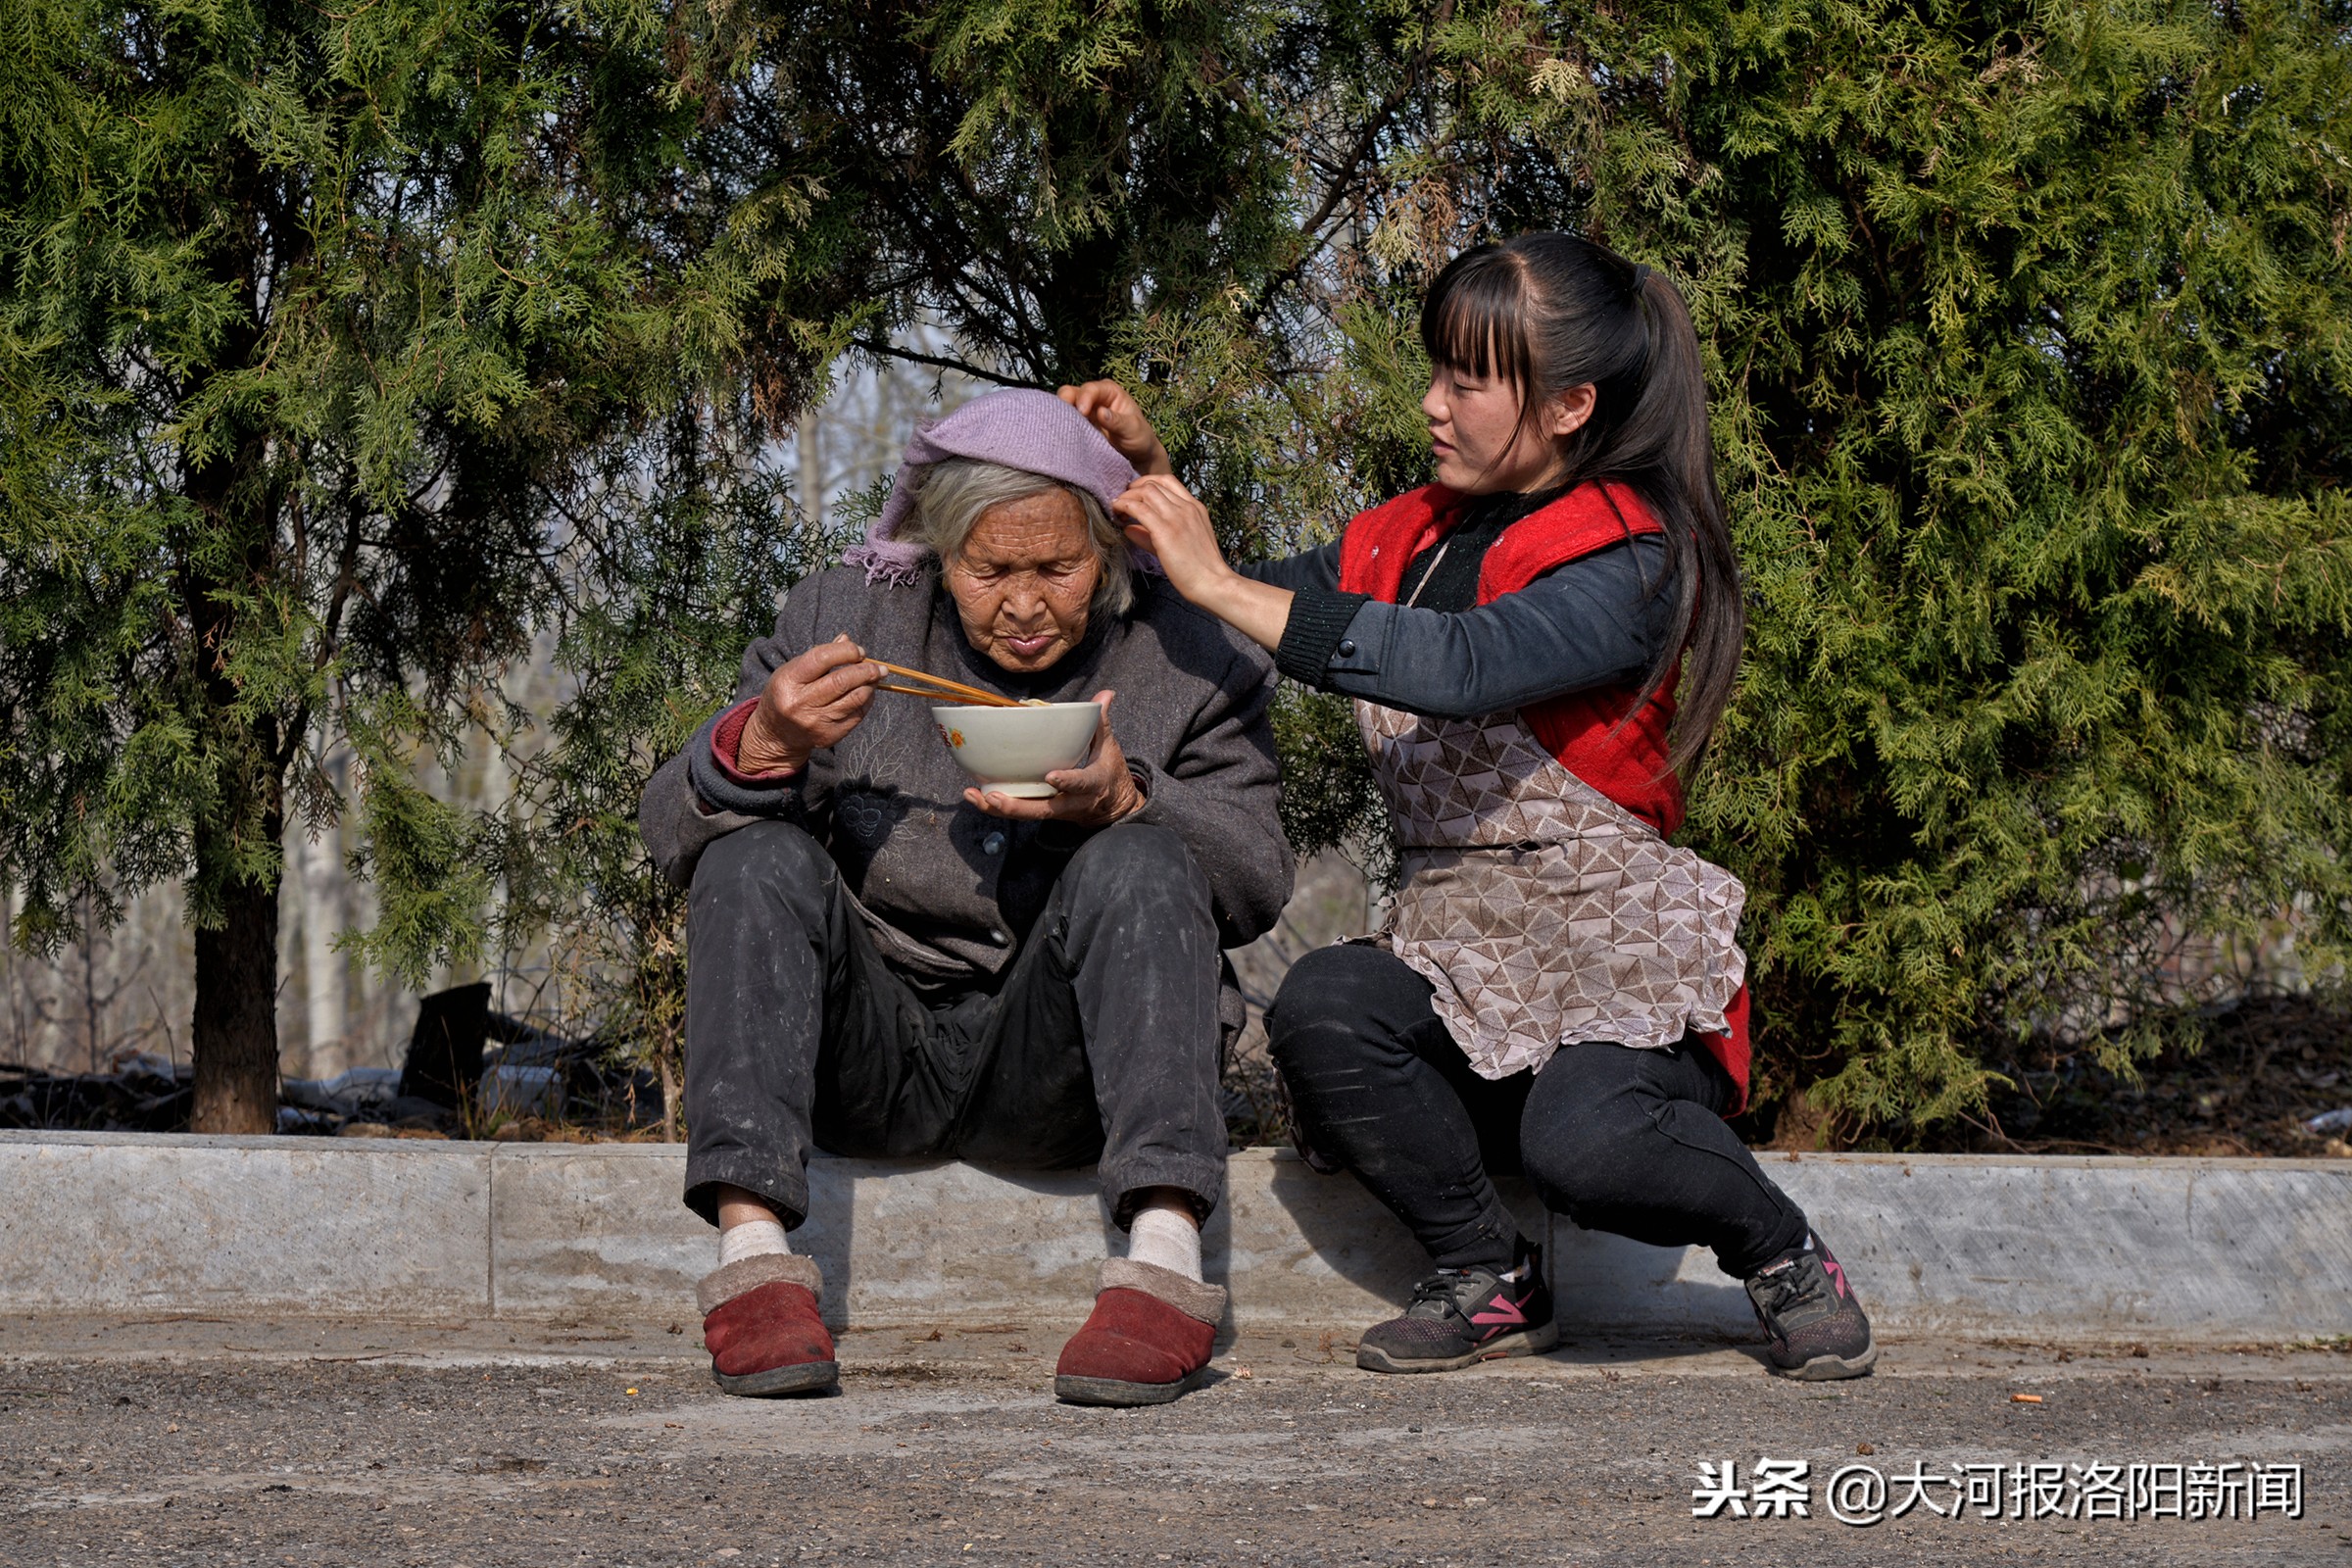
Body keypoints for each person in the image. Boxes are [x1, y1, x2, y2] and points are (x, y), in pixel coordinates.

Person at [1073, 232, 1878, 1381]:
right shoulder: (1400, 537)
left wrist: (1213, 578)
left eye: (1467, 380)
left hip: (1614, 957)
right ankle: (1486, 1269)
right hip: (1459, 942)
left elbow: (1462, 664)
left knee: (1586, 1137)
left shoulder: (1634, 554)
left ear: (1568, 406)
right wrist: (1145, 485)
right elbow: (1229, 620)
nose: (1432, 404)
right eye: (1435, 371)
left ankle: (1781, 1249)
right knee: (1326, 1006)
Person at [639, 388, 1294, 1406]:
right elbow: (669, 835)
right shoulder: (845, 619)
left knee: (1143, 856)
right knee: (749, 858)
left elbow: (1256, 879)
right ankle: (755, 1260)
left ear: (1110, 555)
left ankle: (1165, 1264)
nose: (1024, 604)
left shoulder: (1188, 655)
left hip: (1063, 1064)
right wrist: (763, 744)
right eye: (990, 571)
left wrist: (1128, 798)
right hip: (869, 1058)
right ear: (940, 555)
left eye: (1057, 569)